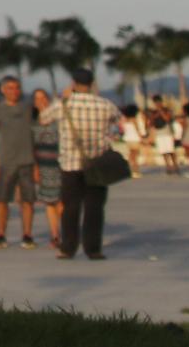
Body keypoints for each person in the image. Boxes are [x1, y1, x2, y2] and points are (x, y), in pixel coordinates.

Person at [52, 66, 115, 261]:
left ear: (73, 84)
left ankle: (68, 248)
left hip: (70, 163)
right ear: (92, 84)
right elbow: (117, 119)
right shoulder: (105, 105)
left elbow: (44, 118)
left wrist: (64, 98)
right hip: (96, 162)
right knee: (95, 207)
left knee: (70, 207)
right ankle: (93, 249)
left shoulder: (63, 105)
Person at [0, 77, 38, 248]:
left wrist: (37, 162)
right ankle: (0, 233)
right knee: (2, 199)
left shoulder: (27, 108)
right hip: (6, 161)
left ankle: (27, 234)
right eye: (10, 88)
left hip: (27, 160)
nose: (14, 91)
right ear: (3, 90)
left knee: (28, 200)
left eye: (17, 88)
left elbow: (35, 133)